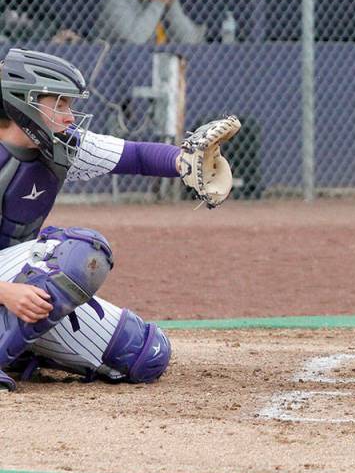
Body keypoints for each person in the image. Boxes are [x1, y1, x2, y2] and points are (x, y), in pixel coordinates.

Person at [0, 48, 239, 390]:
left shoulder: (60, 147)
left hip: (11, 281)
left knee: (143, 353)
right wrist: (6, 292)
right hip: (5, 287)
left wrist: (184, 163)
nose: (70, 116)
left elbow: (136, 155)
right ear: (25, 102)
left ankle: (22, 349)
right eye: (60, 104)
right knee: (80, 253)